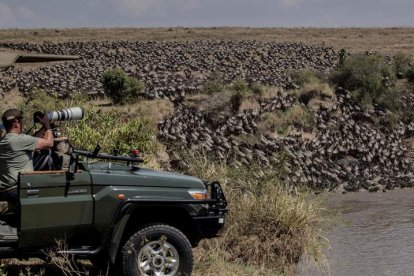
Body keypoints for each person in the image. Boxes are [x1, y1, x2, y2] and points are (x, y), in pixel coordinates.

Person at [0, 108, 53, 205]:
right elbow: (49, 143)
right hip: (15, 190)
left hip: (5, 189)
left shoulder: (5, 140)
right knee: (49, 199)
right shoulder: (19, 140)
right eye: (21, 121)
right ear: (16, 123)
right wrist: (47, 125)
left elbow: (31, 140)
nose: (21, 124)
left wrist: (44, 129)